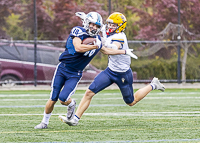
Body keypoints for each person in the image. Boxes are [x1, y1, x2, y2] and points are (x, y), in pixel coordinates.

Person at [59, 12, 165, 126]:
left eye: (114, 25)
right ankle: (75, 120)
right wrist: (86, 18)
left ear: (120, 26)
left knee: (131, 101)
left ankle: (153, 85)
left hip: (123, 74)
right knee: (89, 92)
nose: (110, 26)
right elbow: (98, 26)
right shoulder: (107, 29)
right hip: (110, 71)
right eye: (109, 24)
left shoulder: (119, 36)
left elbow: (113, 49)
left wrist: (103, 45)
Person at [34, 12, 137, 129]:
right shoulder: (78, 31)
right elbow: (78, 47)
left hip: (75, 73)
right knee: (53, 98)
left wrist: (124, 51)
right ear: (87, 23)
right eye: (92, 24)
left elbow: (107, 51)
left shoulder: (98, 38)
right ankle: (44, 123)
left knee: (63, 99)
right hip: (62, 68)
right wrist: (95, 46)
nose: (94, 28)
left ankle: (71, 104)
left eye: (97, 26)